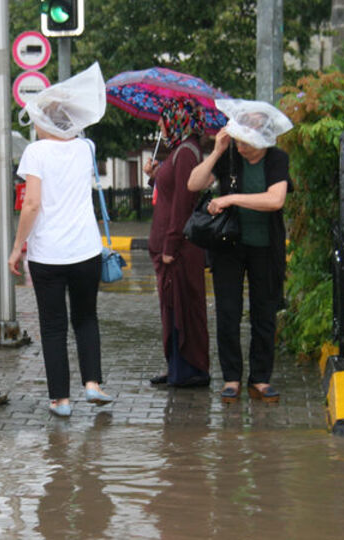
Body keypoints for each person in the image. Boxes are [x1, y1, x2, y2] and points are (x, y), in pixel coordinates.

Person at [7, 102, 113, 417]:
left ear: (46, 124)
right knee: (86, 318)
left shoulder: (36, 153)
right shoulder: (87, 148)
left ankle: (61, 400)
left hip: (48, 254)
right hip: (86, 250)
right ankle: (93, 383)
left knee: (53, 327)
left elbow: (32, 204)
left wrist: (17, 246)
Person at [187, 99, 293, 404]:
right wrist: (218, 150)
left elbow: (275, 200)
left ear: (263, 140)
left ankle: (260, 378)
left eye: (248, 143)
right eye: (238, 141)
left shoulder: (277, 160)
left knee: (264, 313)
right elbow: (193, 183)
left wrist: (231, 198)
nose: (242, 147)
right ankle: (231, 378)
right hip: (229, 246)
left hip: (265, 246)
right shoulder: (229, 154)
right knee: (228, 312)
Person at [142, 98, 211, 388]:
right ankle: (176, 368)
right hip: (170, 247)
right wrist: (154, 175)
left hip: (179, 250)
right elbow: (170, 190)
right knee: (171, 308)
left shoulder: (186, 152)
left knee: (183, 307)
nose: (160, 125)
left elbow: (183, 204)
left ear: (177, 119)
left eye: (163, 119)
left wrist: (170, 246)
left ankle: (190, 370)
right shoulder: (179, 151)